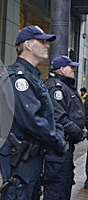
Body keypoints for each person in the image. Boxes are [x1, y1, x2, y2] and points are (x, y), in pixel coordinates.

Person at [0, 25, 68, 200]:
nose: (47, 45)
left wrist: (56, 130)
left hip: (30, 156)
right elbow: (32, 120)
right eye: (42, 41)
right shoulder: (20, 78)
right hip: (21, 157)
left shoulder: (31, 76)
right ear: (28, 45)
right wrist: (57, 140)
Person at [43, 55, 85, 199]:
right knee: (57, 189)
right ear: (62, 69)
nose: (73, 70)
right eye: (71, 67)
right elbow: (58, 118)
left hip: (65, 146)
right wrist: (79, 133)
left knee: (64, 185)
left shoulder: (65, 86)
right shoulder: (56, 88)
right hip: (57, 148)